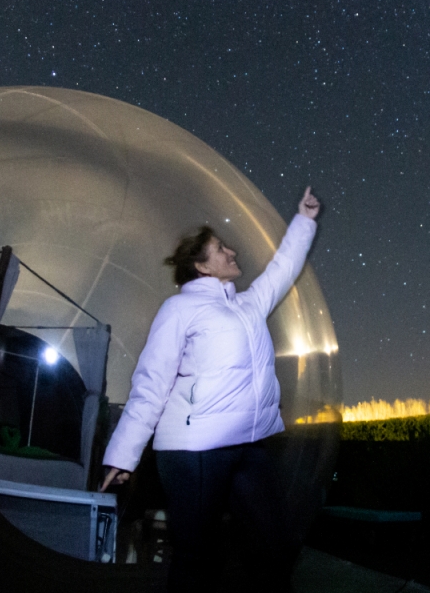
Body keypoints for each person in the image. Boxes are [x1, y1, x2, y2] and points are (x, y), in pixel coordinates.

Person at [100, 187, 321, 592]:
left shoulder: (248, 305)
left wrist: (304, 221)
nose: (232, 252)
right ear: (201, 267)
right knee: (198, 556)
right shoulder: (179, 310)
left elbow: (284, 267)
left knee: (276, 547)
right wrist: (123, 455)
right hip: (194, 450)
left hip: (249, 443)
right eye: (220, 249)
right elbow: (151, 383)